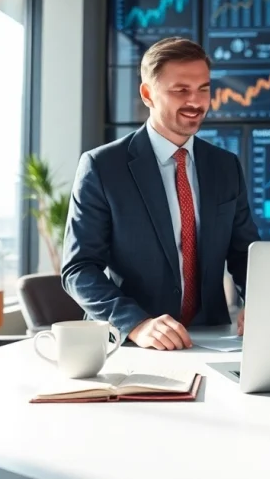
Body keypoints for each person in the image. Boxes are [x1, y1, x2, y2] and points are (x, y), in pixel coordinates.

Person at [62, 37, 259, 351]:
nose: (196, 101)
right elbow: (79, 269)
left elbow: (245, 253)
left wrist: (262, 303)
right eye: (181, 90)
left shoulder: (225, 166)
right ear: (148, 94)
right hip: (131, 345)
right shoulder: (102, 167)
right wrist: (136, 323)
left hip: (214, 339)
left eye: (204, 89)